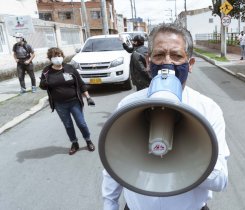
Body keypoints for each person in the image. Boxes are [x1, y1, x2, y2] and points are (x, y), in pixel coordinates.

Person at [102, 23, 230, 210]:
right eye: (159, 55)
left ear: (190, 64)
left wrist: (192, 153)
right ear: (148, 62)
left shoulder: (208, 109)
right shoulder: (127, 106)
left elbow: (221, 182)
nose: (167, 62)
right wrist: (110, 205)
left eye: (177, 56)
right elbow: (113, 163)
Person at [39, 47, 96, 155]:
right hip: (60, 104)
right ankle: (74, 143)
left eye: (59, 55)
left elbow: (80, 84)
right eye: (54, 56)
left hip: (74, 101)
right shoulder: (46, 71)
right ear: (50, 58)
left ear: (62, 56)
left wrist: (88, 97)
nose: (57, 58)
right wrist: (43, 83)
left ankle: (88, 140)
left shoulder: (69, 68)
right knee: (68, 125)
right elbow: (42, 86)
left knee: (81, 123)